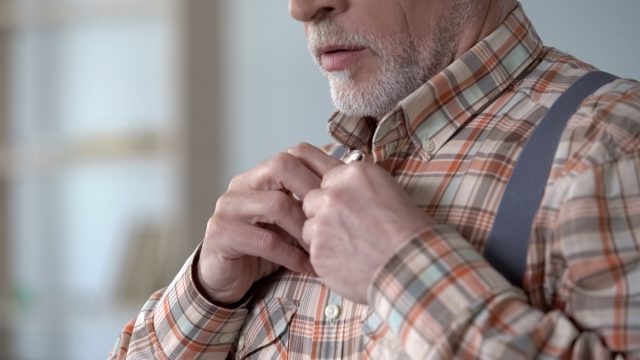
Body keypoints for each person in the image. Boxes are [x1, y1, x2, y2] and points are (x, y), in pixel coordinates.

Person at [110, 0, 640, 358]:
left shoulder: (613, 143)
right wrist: (207, 293)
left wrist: (403, 271)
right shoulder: (303, 185)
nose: (301, 7)